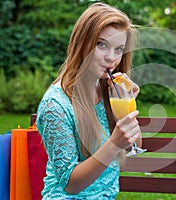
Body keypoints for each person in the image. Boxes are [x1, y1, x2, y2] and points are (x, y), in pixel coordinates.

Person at [36, 2, 141, 199]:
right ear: (82, 43)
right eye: (101, 45)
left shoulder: (108, 89)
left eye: (118, 49)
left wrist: (126, 107)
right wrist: (113, 144)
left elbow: (132, 145)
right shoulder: (55, 105)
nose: (111, 58)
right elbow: (71, 184)